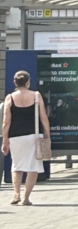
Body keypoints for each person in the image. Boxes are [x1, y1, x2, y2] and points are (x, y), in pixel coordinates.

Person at [1, 70, 50, 205]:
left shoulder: (10, 98)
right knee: (33, 167)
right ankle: (26, 198)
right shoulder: (36, 95)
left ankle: (16, 194)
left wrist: (5, 140)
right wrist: (47, 135)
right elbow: (43, 117)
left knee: (16, 165)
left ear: (15, 83)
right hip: (33, 135)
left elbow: (6, 121)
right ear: (28, 82)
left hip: (15, 136)